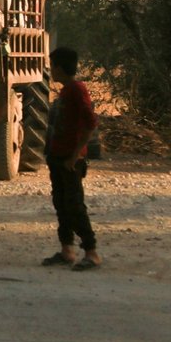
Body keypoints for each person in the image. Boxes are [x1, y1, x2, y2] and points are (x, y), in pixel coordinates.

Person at [42, 47, 102, 271]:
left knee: (75, 206)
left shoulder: (77, 90)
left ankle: (92, 252)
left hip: (70, 160)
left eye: (52, 66)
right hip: (58, 157)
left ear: (59, 67)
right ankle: (67, 250)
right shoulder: (67, 90)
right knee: (61, 204)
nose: (51, 71)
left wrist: (75, 156)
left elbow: (90, 124)